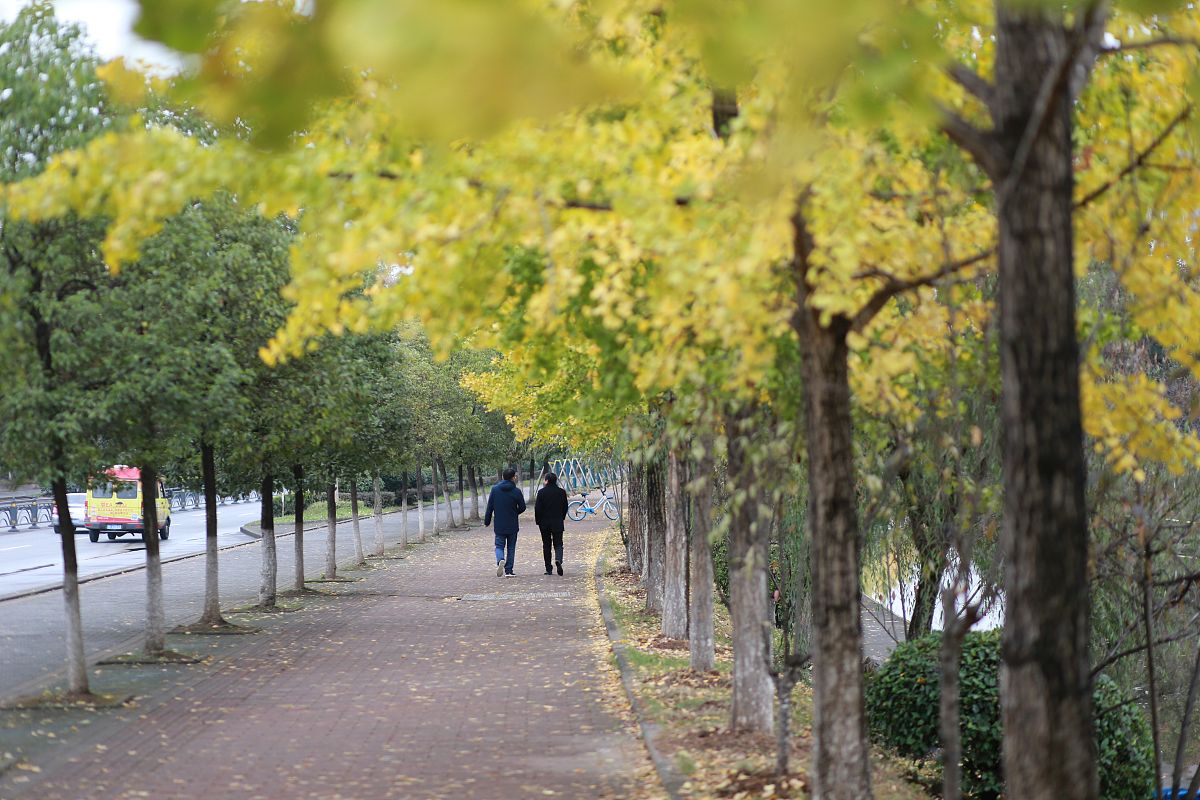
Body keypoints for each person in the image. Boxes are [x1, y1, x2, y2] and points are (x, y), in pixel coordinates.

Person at [484, 467, 526, 577]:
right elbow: (523, 507)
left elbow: (490, 507)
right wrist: (514, 512)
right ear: (513, 477)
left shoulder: (495, 489)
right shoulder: (516, 491)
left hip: (499, 524)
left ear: (503, 477)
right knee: (511, 548)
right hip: (512, 524)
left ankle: (500, 560)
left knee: (499, 546)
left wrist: (487, 521)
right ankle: (509, 571)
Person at [533, 472, 569, 575]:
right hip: (557, 521)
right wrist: (561, 517)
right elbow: (565, 507)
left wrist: (538, 521)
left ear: (547, 480)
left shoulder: (541, 492)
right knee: (558, 544)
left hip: (544, 523)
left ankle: (548, 569)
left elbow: (537, 509)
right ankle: (558, 559)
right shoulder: (561, 492)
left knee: (546, 545)